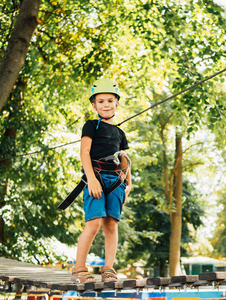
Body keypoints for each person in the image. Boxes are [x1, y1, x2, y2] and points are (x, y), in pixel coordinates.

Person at [71, 79, 132, 283]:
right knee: (94, 222)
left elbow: (124, 159)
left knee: (111, 225)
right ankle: (79, 268)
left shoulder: (120, 133)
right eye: (101, 101)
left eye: (110, 100)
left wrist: (128, 184)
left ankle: (108, 269)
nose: (106, 104)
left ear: (116, 104)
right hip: (95, 177)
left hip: (115, 181)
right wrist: (91, 179)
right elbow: (84, 152)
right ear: (94, 105)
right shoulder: (91, 126)